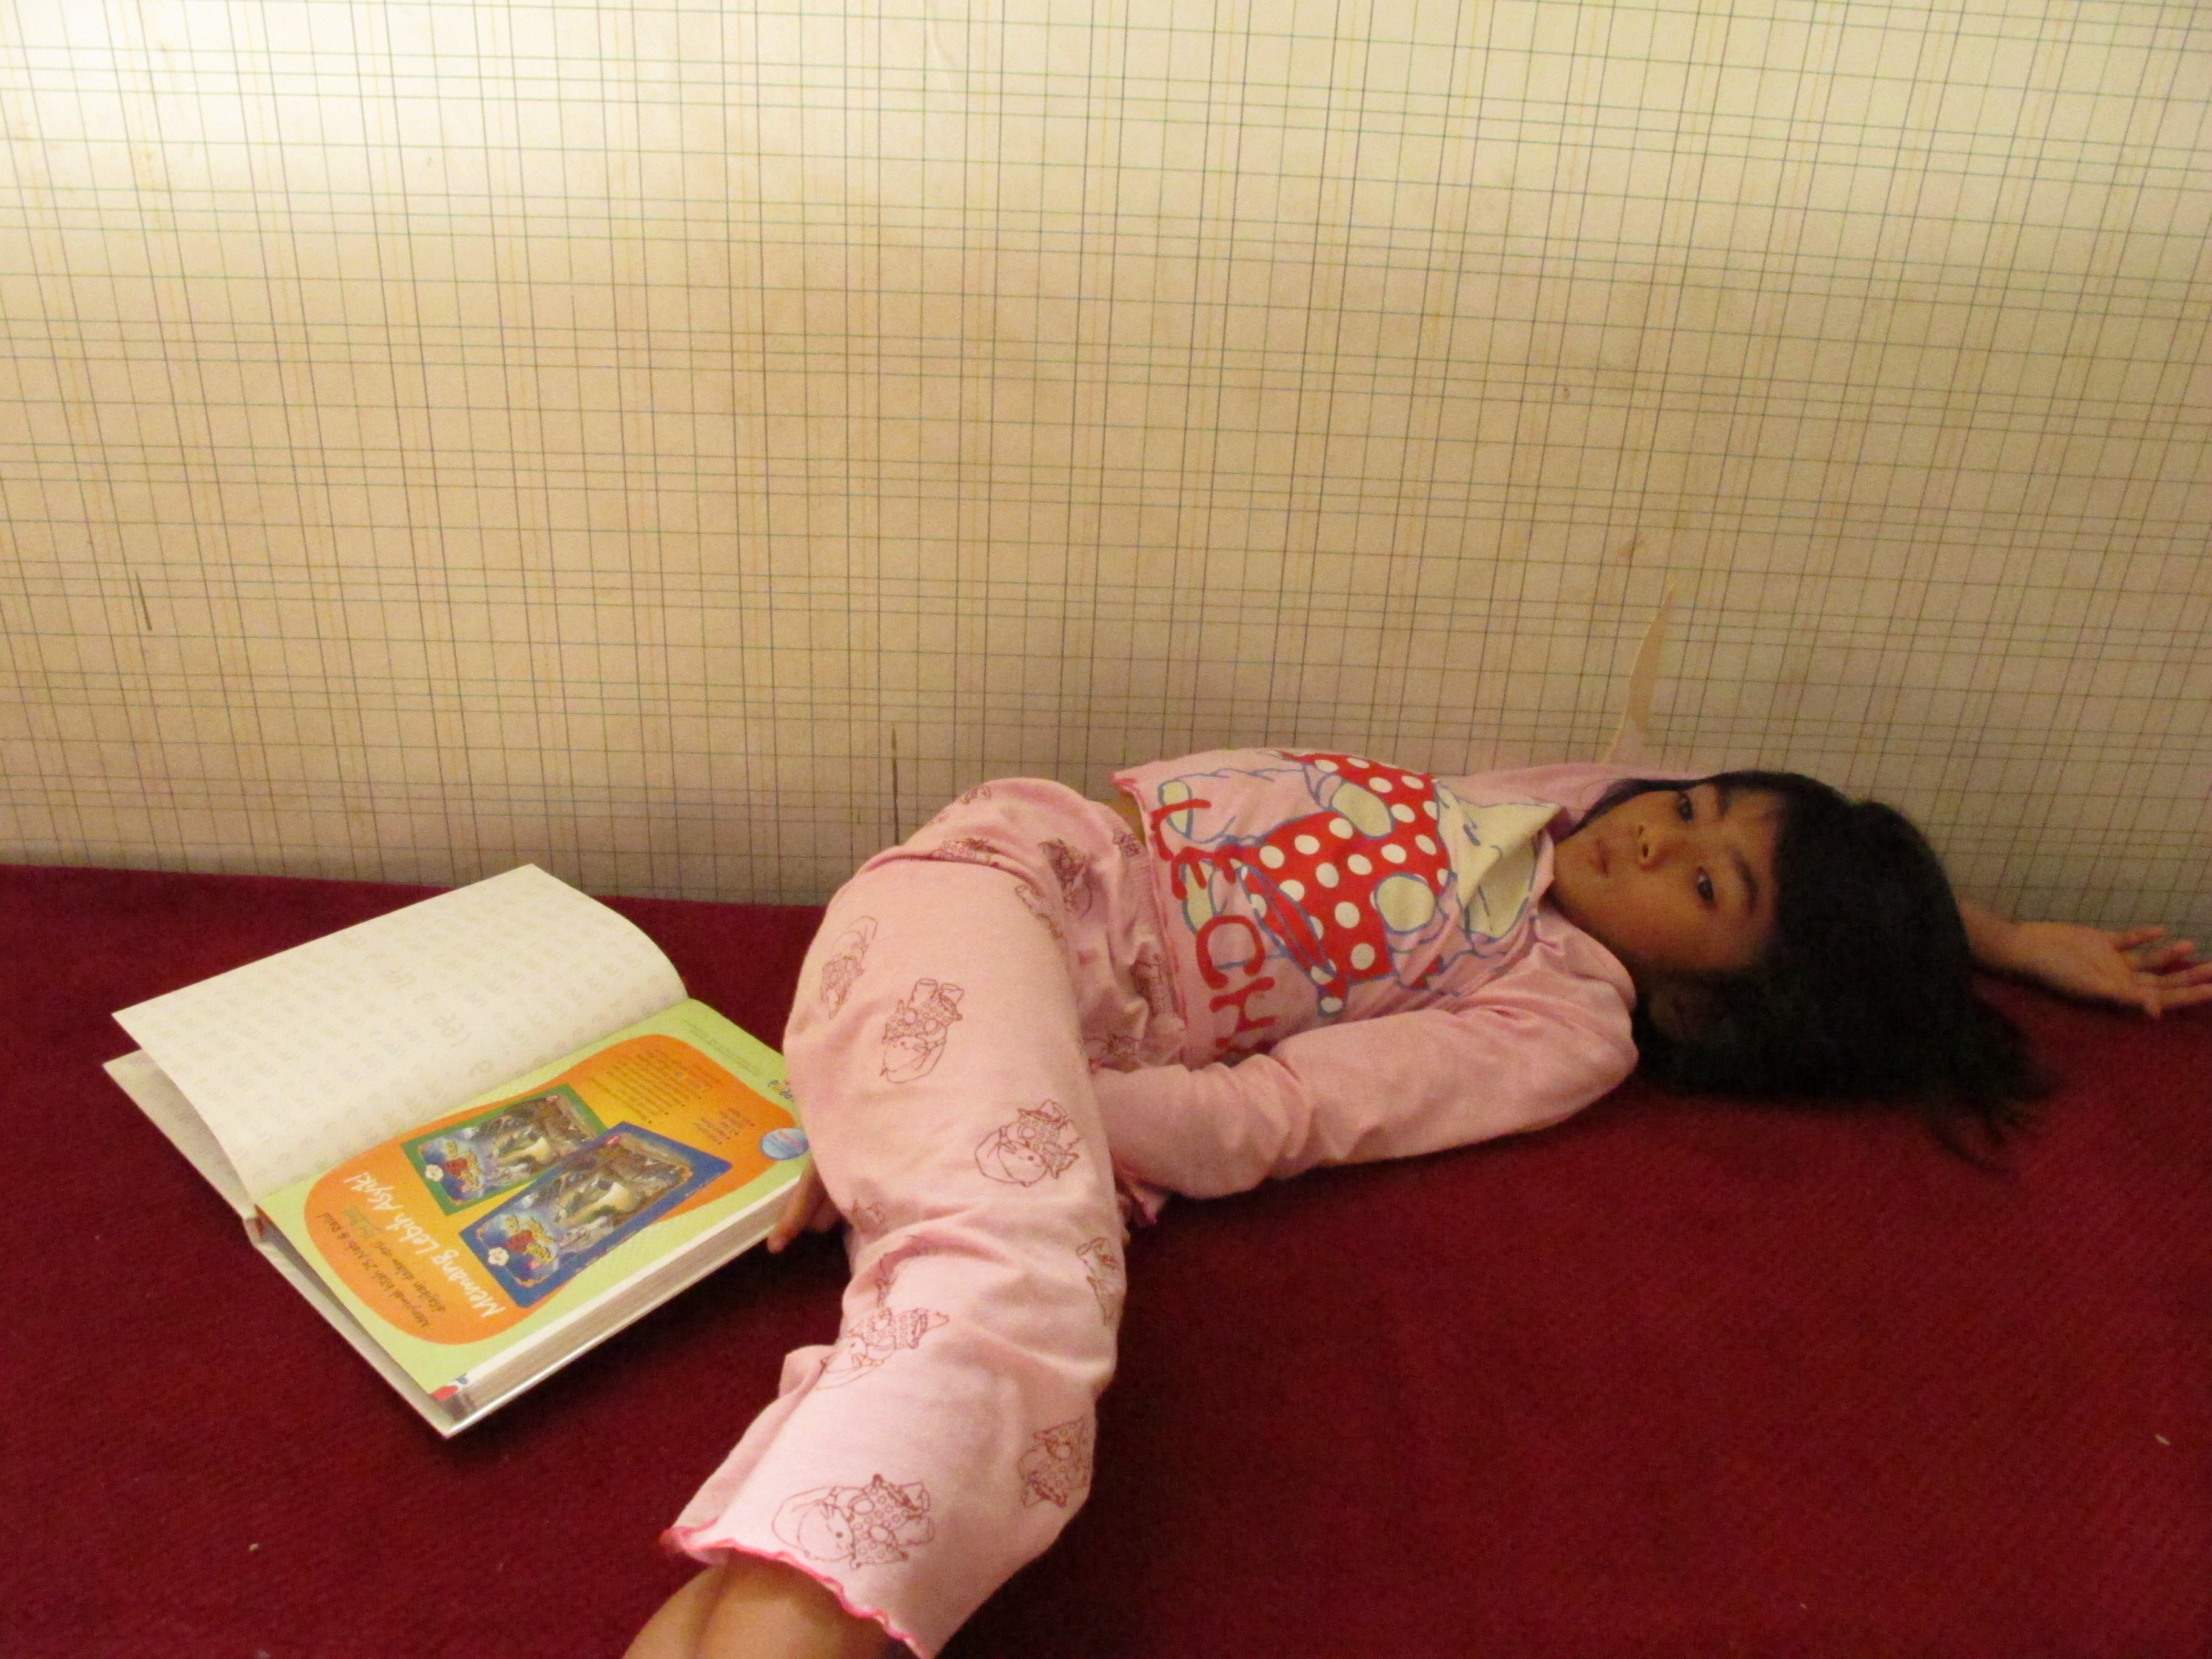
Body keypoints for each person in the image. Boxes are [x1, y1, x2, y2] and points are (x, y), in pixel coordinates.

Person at [625, 748, 2209, 1659]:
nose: (1660, 831)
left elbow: (1282, 1115)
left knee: (988, 1305)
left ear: (1718, 1009)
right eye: (1696, 804)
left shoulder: (1569, 1020)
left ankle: (764, 1608)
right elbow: (1814, 863)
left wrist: (982, 1108)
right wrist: (2005, 932)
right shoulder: (1563, 810)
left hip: (997, 1018)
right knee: (1024, 1301)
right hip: (1010, 893)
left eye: (1704, 881)